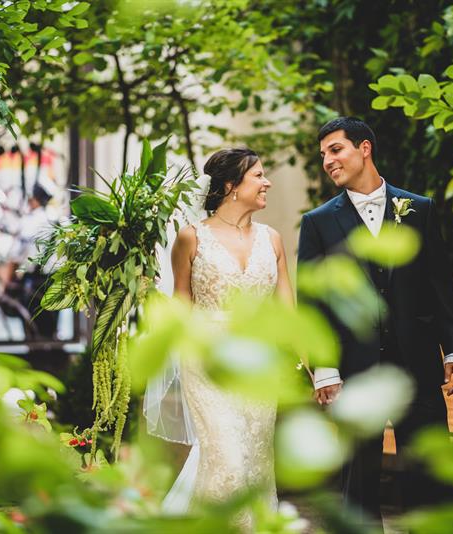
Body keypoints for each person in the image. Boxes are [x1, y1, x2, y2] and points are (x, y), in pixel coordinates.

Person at [297, 117, 453, 518]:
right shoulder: (318, 223)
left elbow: (440, 285)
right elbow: (311, 303)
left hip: (418, 366)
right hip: (354, 372)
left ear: (364, 148)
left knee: (428, 474)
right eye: (322, 154)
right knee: (358, 479)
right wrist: (323, 369)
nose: (327, 161)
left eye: (335, 149)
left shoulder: (419, 209)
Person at [156, 148, 294, 527]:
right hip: (207, 364)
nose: (267, 183)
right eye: (259, 176)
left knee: (254, 462)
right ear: (232, 185)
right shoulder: (191, 238)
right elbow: (180, 308)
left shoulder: (274, 240)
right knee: (228, 461)